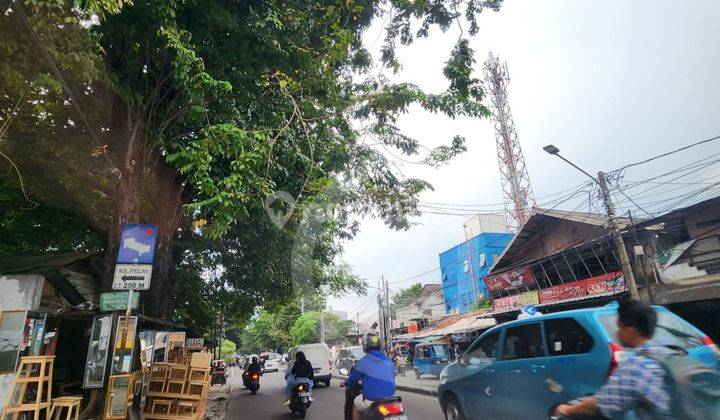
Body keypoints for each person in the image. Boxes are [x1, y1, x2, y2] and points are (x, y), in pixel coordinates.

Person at [555, 299, 673, 419]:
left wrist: (568, 409)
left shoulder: (637, 367)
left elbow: (599, 404)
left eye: (619, 327)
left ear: (630, 331)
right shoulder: (671, 352)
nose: (617, 333)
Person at [341, 333, 395, 420]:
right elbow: (392, 375)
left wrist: (344, 383)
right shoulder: (388, 361)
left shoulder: (364, 361)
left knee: (356, 402)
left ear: (365, 346)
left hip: (372, 400)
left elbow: (353, 380)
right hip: (390, 398)